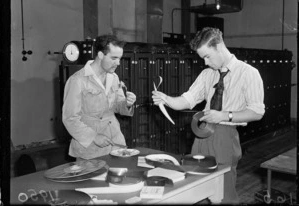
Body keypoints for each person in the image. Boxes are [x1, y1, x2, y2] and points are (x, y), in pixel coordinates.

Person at [152, 27, 265, 204]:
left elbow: (257, 112)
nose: (205, 62)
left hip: (225, 137)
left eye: (207, 56)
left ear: (219, 46)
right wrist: (166, 99)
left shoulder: (248, 73)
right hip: (202, 133)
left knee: (223, 193)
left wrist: (223, 116)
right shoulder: (207, 74)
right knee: (195, 185)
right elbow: (187, 100)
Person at [62, 34, 136, 160]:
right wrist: (93, 137)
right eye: (114, 58)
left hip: (116, 144)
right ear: (101, 55)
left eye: (120, 58)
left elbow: (117, 106)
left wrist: (127, 103)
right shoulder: (77, 80)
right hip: (90, 150)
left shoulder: (113, 77)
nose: (118, 63)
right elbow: (70, 118)